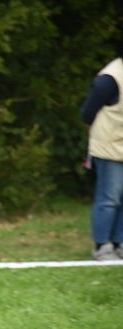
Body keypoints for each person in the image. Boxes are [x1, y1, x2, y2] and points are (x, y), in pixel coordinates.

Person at [80, 54, 123, 261]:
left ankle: (119, 242)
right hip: (109, 145)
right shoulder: (110, 79)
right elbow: (87, 113)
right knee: (109, 198)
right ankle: (102, 246)